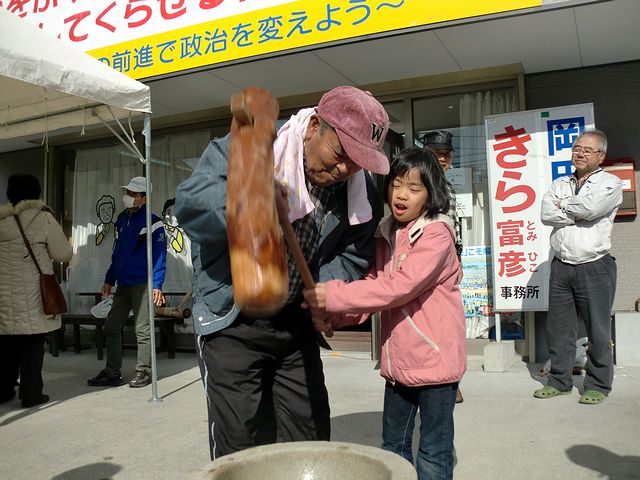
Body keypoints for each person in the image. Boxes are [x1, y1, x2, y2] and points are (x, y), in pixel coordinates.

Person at [175, 86, 389, 459]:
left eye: (357, 162)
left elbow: (355, 252)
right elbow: (191, 204)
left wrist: (322, 291)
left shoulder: (360, 187)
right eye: (340, 155)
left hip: (295, 322)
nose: (344, 171)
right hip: (232, 319)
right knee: (240, 444)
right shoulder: (252, 146)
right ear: (314, 127)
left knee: (308, 435)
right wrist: (244, 208)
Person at [303, 148, 467, 480]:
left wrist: (333, 295)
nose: (402, 195)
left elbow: (398, 287)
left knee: (434, 452)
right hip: (399, 365)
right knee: (393, 447)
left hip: (437, 365)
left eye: (414, 188)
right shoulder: (385, 233)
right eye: (395, 184)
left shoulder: (436, 235)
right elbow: (374, 287)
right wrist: (337, 316)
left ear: (430, 194)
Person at [535, 130, 622, 405]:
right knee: (559, 329)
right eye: (576, 148)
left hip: (595, 265)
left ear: (601, 156)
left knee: (597, 329)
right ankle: (559, 381)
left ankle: (598, 384)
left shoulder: (611, 182)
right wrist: (575, 211)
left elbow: (592, 208)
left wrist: (566, 208)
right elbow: (546, 214)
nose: (580, 153)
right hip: (562, 266)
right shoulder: (560, 182)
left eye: (588, 149)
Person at [0, 174, 73, 408]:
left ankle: (3, 390)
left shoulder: (1, 220)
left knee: (7, 344)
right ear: (37, 192)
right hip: (33, 293)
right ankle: (31, 394)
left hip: (4, 294)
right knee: (32, 345)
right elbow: (63, 254)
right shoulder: (44, 218)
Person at [87, 177, 167, 389]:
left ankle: (144, 371)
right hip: (123, 283)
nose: (128, 197)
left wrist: (157, 284)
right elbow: (117, 253)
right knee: (111, 325)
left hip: (143, 283)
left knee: (143, 330)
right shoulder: (122, 219)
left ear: (144, 198)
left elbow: (160, 255)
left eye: (133, 194)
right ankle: (112, 371)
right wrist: (108, 279)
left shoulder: (154, 222)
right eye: (128, 193)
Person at [422, 129, 465, 404]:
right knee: (431, 325)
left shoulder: (446, 184)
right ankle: (436, 381)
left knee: (449, 325)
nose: (442, 158)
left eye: (446, 154)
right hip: (427, 262)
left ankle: (451, 380)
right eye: (436, 153)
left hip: (450, 260)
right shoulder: (418, 181)